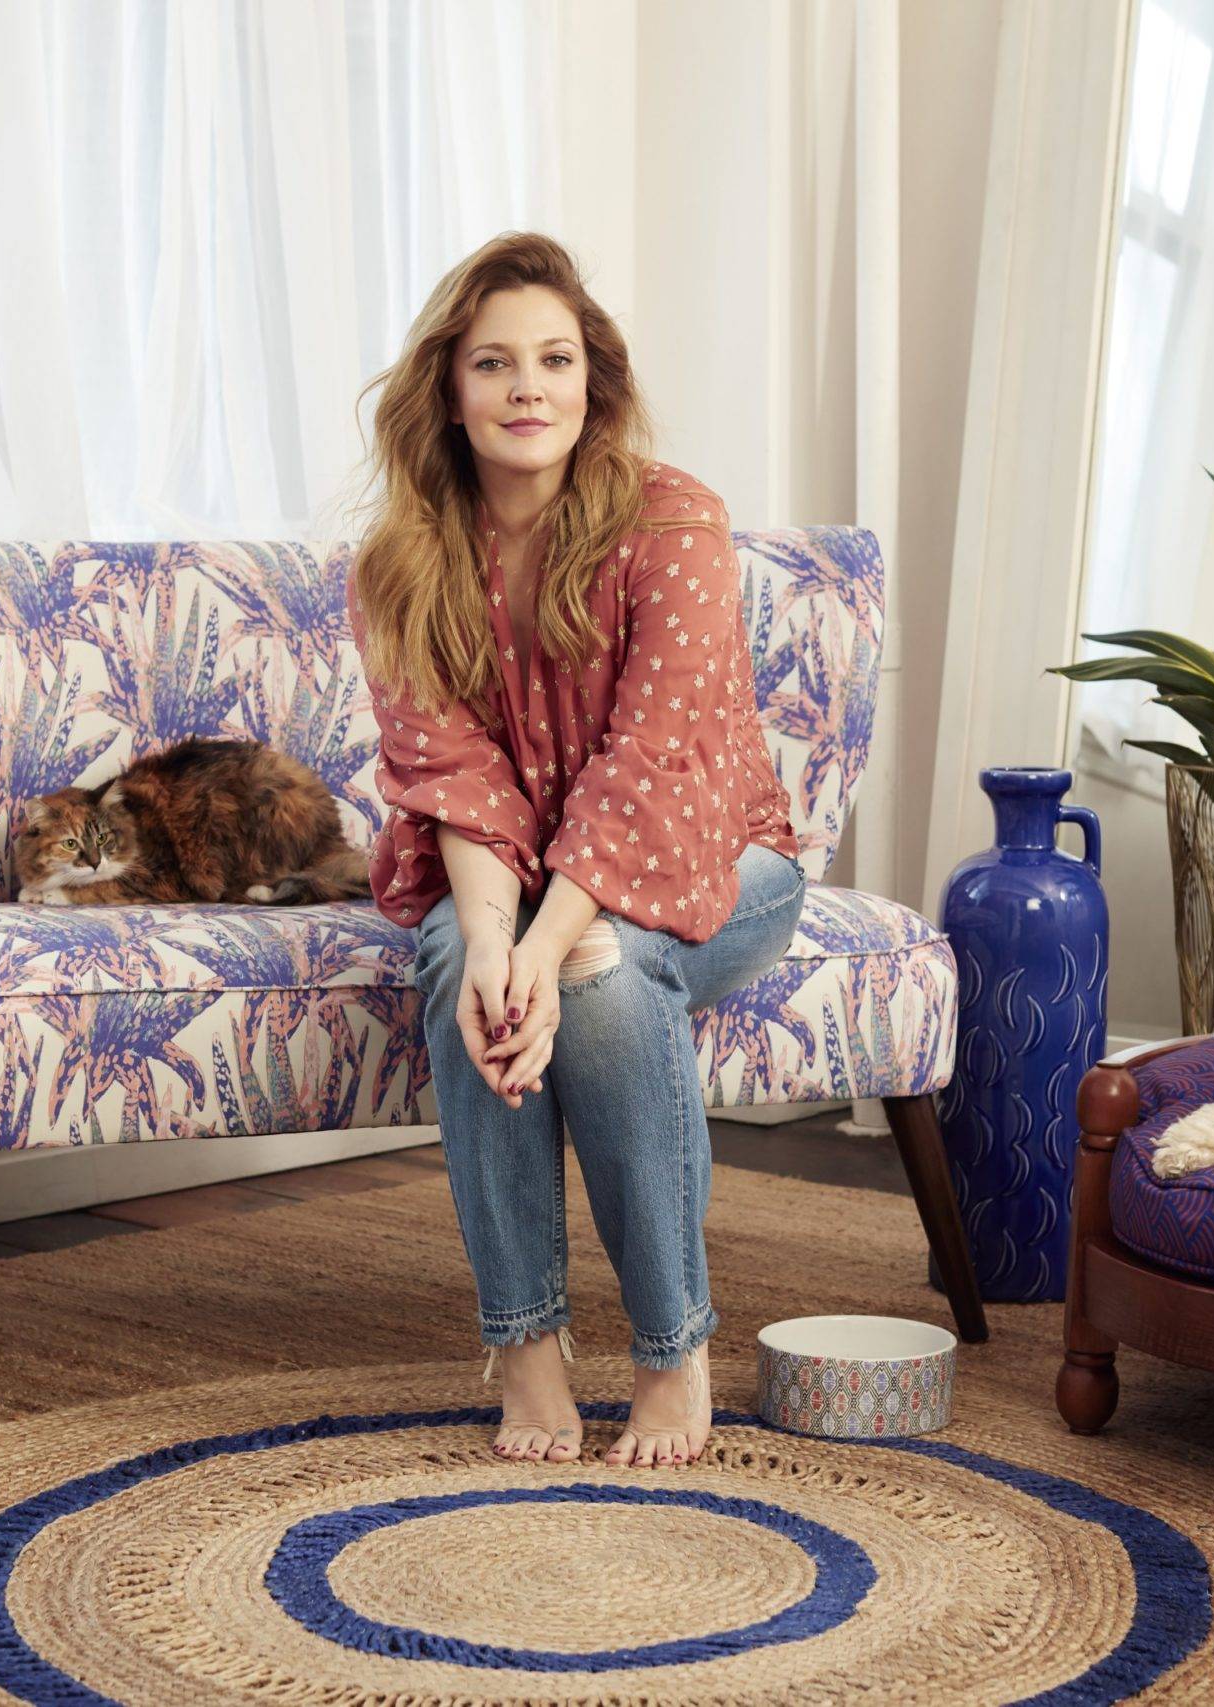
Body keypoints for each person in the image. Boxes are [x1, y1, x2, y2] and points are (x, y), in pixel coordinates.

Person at [344, 231, 807, 1469]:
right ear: (450, 388)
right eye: (494, 363)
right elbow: (457, 786)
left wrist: (551, 948)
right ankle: (530, 1350)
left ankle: (671, 1349)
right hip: (512, 866)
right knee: (461, 968)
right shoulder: (400, 567)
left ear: (592, 381)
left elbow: (649, 770)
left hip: (715, 854)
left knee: (594, 977)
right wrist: (499, 945)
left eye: (554, 360)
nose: (527, 388)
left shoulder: (672, 521)